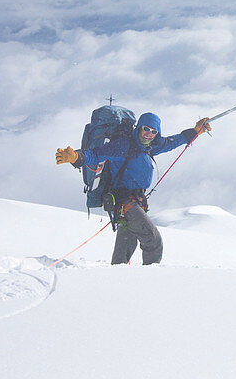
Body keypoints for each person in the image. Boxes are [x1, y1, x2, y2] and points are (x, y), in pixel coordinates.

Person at [55, 112, 210, 265]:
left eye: (153, 131)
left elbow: (174, 141)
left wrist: (195, 131)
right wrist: (76, 157)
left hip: (137, 201)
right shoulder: (123, 145)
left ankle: (117, 280)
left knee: (125, 248)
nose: (149, 134)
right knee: (153, 241)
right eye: (146, 129)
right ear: (139, 128)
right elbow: (96, 154)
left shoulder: (151, 146)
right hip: (124, 200)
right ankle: (151, 279)